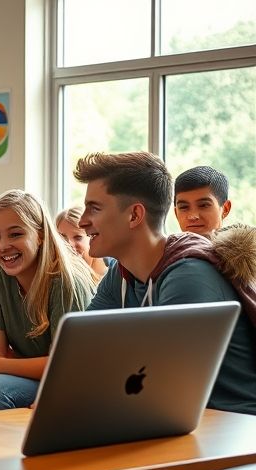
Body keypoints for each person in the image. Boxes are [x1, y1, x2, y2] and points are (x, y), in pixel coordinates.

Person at [75, 152, 256, 415]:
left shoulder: (190, 275)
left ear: (135, 215)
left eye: (95, 208)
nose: (82, 221)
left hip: (232, 424)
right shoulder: (121, 273)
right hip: (180, 418)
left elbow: (156, 382)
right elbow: (83, 349)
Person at [0, 189, 95, 413]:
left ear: (40, 235)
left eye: (15, 234)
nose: (3, 246)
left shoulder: (64, 281)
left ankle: (3, 449)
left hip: (70, 379)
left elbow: (64, 365)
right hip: (29, 372)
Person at [56, 205, 113, 282]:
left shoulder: (114, 275)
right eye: (63, 238)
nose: (69, 245)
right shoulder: (59, 277)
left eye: (78, 237)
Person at [173, 165, 232, 239]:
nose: (193, 216)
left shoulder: (244, 249)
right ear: (176, 213)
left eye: (203, 205)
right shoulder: (164, 249)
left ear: (225, 209)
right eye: (184, 207)